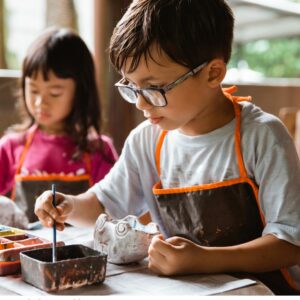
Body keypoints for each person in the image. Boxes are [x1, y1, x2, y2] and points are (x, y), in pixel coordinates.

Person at [34, 1, 300, 294]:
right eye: (132, 87)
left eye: (154, 88)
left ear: (213, 73)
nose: (141, 103)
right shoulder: (147, 139)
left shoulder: (261, 136)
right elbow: (103, 204)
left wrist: (202, 260)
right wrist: (67, 206)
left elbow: (289, 243)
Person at [0, 27, 118, 224]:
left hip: (81, 253)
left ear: (80, 91)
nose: (39, 103)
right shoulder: (10, 147)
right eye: (33, 90)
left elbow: (115, 211)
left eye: (54, 93)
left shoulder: (99, 150)